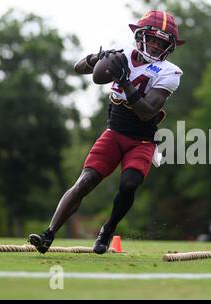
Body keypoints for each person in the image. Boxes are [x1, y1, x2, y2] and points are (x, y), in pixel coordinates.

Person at [28, 10, 185, 254]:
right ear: (140, 36)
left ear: (169, 46)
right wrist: (97, 57)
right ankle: (48, 235)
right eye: (152, 39)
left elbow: (146, 112)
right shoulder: (121, 52)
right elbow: (78, 68)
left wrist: (124, 82)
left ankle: (108, 229)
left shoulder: (169, 72)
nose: (154, 46)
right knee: (85, 181)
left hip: (142, 139)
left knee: (129, 184)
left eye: (161, 42)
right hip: (114, 131)